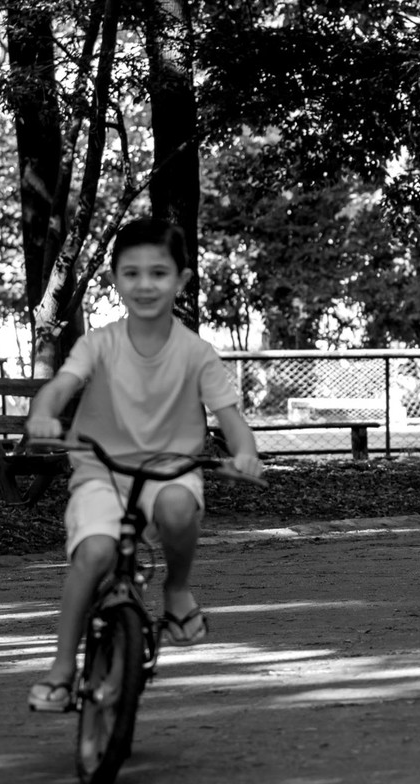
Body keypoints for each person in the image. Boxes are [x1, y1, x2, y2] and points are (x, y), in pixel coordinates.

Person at [25, 218, 263, 711]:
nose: (145, 284)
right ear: (114, 279)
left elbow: (230, 417)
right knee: (93, 555)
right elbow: (62, 385)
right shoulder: (100, 343)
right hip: (101, 471)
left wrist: (245, 452)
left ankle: (176, 592)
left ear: (182, 279)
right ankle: (62, 667)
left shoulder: (196, 353)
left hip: (170, 470)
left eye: (159, 273)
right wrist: (45, 412)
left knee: (177, 509)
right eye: (131, 273)